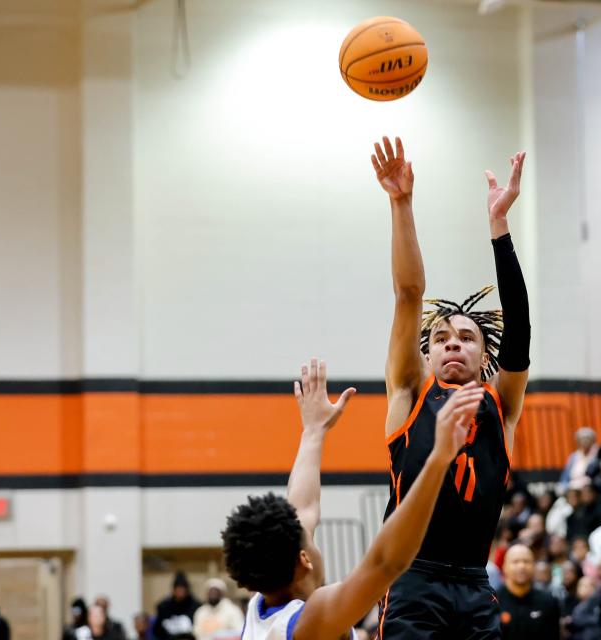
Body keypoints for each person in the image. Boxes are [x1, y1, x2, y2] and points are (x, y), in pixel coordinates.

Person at [371, 136, 530, 638]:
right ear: (427, 353)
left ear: (486, 355)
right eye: (441, 338)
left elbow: (520, 328)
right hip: (412, 578)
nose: (453, 344)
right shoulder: (409, 391)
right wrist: (401, 204)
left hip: (475, 584)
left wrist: (499, 227)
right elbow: (408, 293)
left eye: (467, 338)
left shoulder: (499, 405)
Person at [222, 358, 482, 640]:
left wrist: (313, 432)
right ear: (304, 558)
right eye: (306, 535)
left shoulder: (259, 609)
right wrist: (438, 460)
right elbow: (385, 563)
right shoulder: (309, 620)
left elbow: (303, 506)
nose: (308, 526)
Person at [496, 544, 561, 639]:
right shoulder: (492, 602)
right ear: (504, 567)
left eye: (526, 561)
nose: (522, 566)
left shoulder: (549, 602)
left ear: (534, 566)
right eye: (515, 562)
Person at [154, 572, 200, 640]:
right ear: (173, 590)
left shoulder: (196, 606)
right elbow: (158, 631)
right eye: (178, 589)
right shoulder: (163, 607)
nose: (180, 592)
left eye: (183, 589)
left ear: (187, 590)